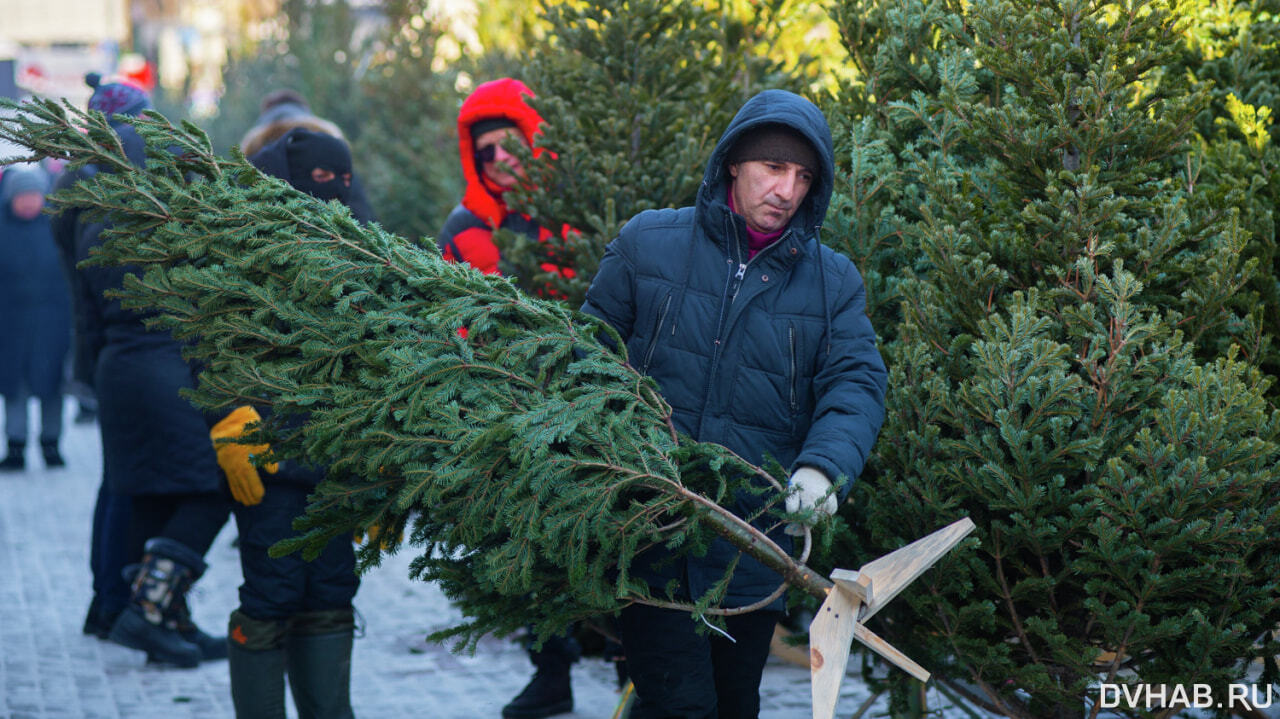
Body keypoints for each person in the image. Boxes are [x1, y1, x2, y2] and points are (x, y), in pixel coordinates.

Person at [579, 89, 888, 718]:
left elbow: (856, 380)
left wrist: (822, 468)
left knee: (732, 702)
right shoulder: (648, 245)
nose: (787, 190)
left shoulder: (832, 284)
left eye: (803, 177)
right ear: (733, 164)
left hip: (753, 547)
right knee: (681, 704)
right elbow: (585, 357)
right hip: (650, 534)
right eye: (773, 168)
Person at [71, 74, 232, 667]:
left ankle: (167, 620)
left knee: (144, 499)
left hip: (120, 373)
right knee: (209, 491)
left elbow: (86, 311)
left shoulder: (94, 216)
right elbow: (200, 304)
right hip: (165, 370)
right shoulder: (166, 223)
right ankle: (147, 612)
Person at [438, 77, 580, 719]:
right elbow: (459, 319)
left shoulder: (571, 213)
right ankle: (551, 673)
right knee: (533, 541)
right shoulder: (467, 226)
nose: (500, 159)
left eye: (509, 144)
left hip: (590, 395)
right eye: (485, 150)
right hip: (514, 407)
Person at [220, 126, 363, 719]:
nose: (335, 193)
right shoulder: (245, 251)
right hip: (270, 455)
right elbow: (210, 340)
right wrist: (228, 416)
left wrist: (383, 455)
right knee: (272, 592)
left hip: (336, 459)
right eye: (325, 180)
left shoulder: (358, 251)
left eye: (344, 181)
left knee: (331, 591)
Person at [0, 163, 71, 472]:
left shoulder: (57, 228)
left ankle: (51, 443)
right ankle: (15, 446)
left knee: (51, 385)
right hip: (10, 323)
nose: (29, 202)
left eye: (34, 195)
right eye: (22, 196)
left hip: (52, 321)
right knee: (14, 387)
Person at [240, 89, 375, 224]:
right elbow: (361, 216)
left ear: (265, 115)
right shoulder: (332, 153)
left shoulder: (253, 160)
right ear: (305, 110)